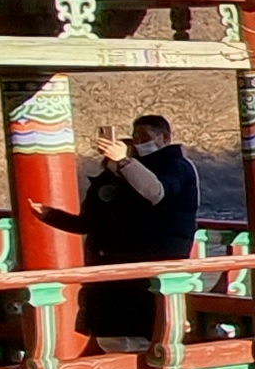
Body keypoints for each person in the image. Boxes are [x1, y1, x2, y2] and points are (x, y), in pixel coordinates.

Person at [37, 112, 203, 343]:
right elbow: (89, 223)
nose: (139, 142)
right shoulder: (110, 181)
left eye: (145, 137)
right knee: (112, 335)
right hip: (109, 269)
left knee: (150, 334)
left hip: (152, 266)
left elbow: (156, 192)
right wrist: (50, 215)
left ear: (164, 137)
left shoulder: (175, 167)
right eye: (136, 137)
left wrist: (125, 162)